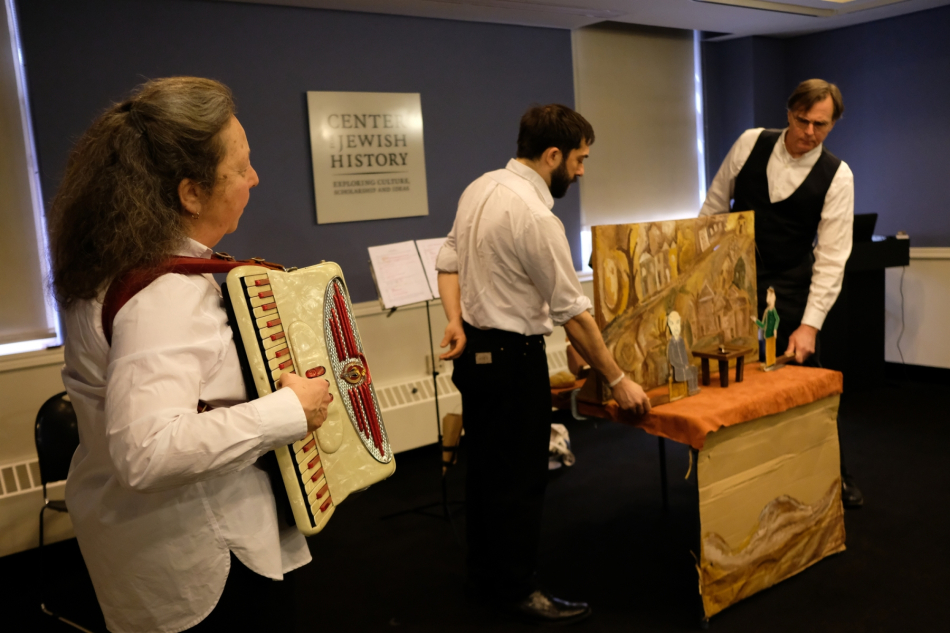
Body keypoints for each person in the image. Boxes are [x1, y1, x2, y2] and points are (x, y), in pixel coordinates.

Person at [49, 77, 332, 633]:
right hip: (203, 559)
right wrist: (290, 410)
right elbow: (147, 452)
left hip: (141, 545)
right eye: (241, 167)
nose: (254, 178)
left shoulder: (112, 263)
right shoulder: (163, 295)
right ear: (191, 194)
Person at [435, 104, 650, 625]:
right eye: (579, 159)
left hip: (477, 358)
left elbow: (447, 262)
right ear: (553, 154)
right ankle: (516, 590)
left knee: (486, 476)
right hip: (514, 364)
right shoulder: (535, 217)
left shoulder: (479, 188)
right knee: (521, 482)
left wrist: (455, 321)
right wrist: (618, 379)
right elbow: (574, 315)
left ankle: (484, 580)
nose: (581, 171)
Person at [699, 78, 863, 508]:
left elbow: (832, 257)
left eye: (820, 125)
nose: (809, 132)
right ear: (789, 113)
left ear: (833, 124)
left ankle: (834, 476)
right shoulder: (749, 143)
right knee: (729, 380)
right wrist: (701, 278)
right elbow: (712, 212)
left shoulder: (838, 175)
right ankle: (735, 481)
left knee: (805, 385)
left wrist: (810, 326)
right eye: (802, 120)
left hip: (792, 283)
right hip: (736, 279)